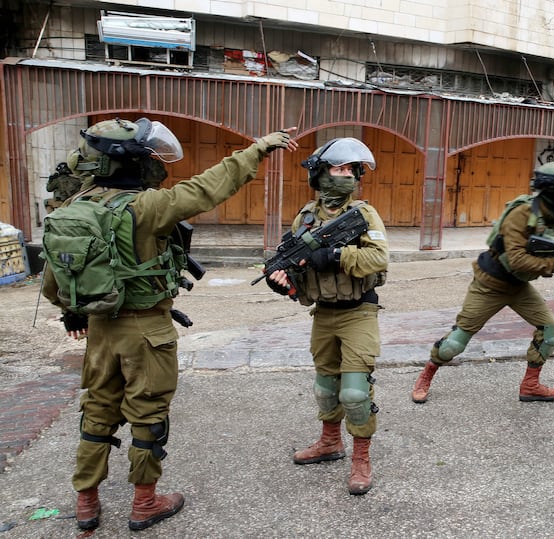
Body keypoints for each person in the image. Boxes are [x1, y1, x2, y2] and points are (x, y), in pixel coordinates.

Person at [42, 117, 298, 530]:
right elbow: (210, 185)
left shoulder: (74, 209)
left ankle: (86, 502)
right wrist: (259, 148)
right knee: (148, 415)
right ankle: (145, 503)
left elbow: (55, 280)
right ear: (131, 163)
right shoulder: (147, 208)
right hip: (147, 331)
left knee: (97, 412)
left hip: (100, 331)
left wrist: (75, 313)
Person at [266, 137, 389, 495]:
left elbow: (378, 259)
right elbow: (301, 282)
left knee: (354, 393)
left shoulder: (364, 214)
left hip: (359, 313)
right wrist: (285, 284)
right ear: (319, 175)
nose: (346, 176)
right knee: (325, 388)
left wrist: (335, 257)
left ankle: (361, 459)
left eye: (351, 170)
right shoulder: (304, 219)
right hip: (324, 314)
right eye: (338, 169)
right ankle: (330, 442)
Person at [411, 161, 554, 404]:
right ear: (553, 189)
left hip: (518, 287)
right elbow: (517, 260)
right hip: (490, 284)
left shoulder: (551, 213)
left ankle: (530, 386)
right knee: (455, 344)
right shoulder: (522, 213)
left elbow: (538, 249)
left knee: (550, 332)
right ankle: (426, 375)